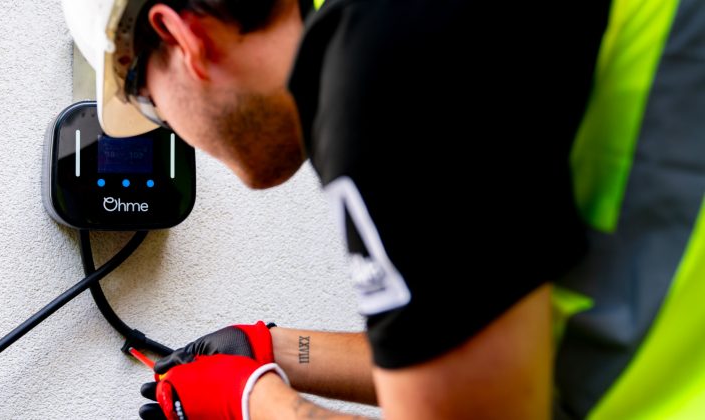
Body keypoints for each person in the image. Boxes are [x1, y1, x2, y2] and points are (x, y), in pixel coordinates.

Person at [62, 0, 612, 418]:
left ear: (181, 36)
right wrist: (270, 350)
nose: (171, 128)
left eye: (145, 100)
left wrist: (255, 402)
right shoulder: (398, 26)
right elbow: (496, 354)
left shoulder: (382, 78)